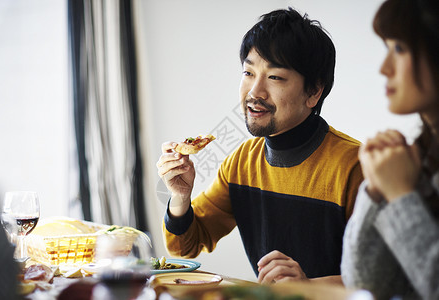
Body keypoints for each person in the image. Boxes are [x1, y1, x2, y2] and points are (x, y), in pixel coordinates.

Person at [157, 7, 363, 284]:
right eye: (248, 73)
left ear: (314, 91)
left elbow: (396, 277)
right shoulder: (242, 162)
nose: (255, 93)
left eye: (275, 77)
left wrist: (309, 287)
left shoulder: (356, 166)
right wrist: (180, 197)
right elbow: (186, 247)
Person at [340, 0, 439, 299]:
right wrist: (376, 189)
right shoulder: (418, 156)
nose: (384, 68)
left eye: (399, 49)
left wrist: (400, 195)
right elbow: (364, 283)